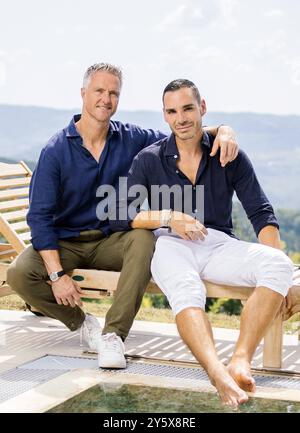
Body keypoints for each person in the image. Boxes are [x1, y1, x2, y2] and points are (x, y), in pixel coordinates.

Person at [6, 64, 239, 370]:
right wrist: (57, 275)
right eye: (99, 91)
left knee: (143, 238)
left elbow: (181, 133)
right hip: (64, 243)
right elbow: (39, 217)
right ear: (83, 94)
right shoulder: (56, 150)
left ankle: (114, 335)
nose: (106, 99)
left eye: (113, 92)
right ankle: (84, 324)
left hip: (111, 240)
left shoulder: (132, 139)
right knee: (18, 273)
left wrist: (223, 130)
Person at [110, 79, 294, 407]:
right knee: (185, 289)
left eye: (187, 108)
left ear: (202, 108)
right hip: (170, 244)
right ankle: (217, 373)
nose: (180, 118)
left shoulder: (228, 154)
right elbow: (121, 213)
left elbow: (260, 213)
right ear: (165, 116)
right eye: (172, 111)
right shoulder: (149, 159)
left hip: (218, 243)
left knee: (278, 263)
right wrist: (169, 216)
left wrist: (283, 281)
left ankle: (239, 360)